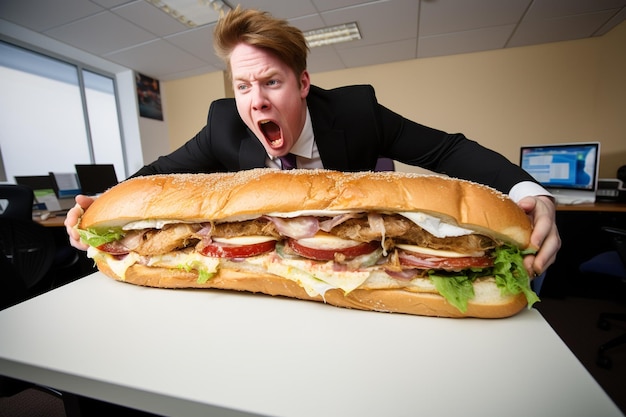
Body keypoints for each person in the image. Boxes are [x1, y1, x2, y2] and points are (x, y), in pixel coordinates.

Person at [66, 6, 560, 279]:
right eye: (242, 86)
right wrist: (97, 206)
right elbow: (158, 175)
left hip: (365, 256)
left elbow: (448, 150)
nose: (255, 102)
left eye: (271, 83)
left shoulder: (355, 111)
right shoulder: (224, 124)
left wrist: (529, 193)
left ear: (303, 83)